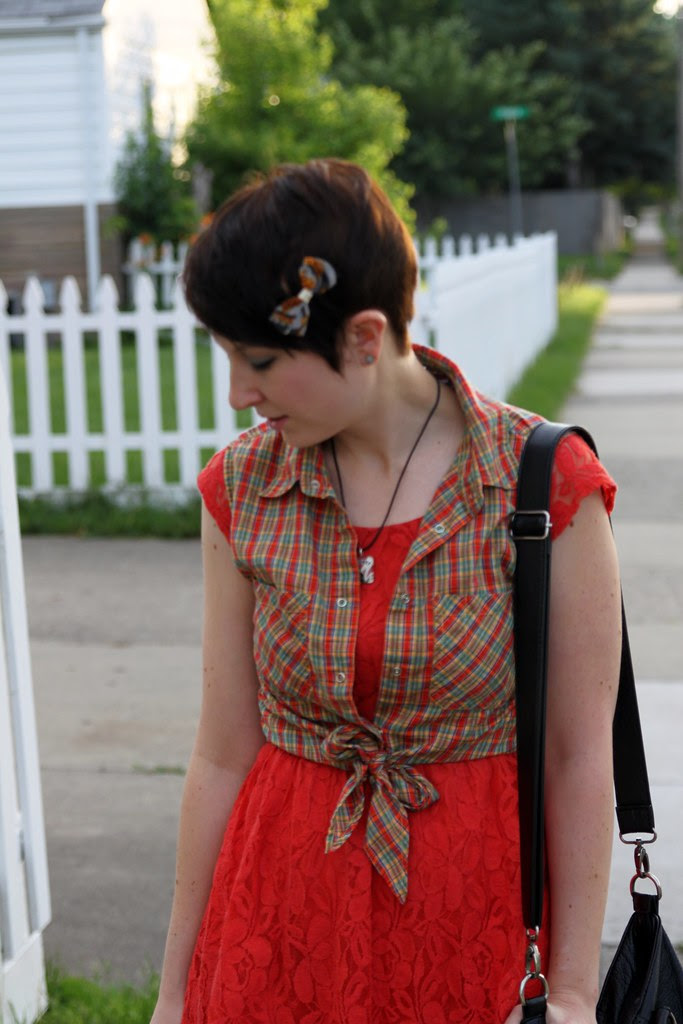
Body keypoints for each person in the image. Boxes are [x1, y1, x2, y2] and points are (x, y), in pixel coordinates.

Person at [150, 158, 621, 1024]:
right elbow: (222, 753)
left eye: (260, 360)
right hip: (277, 927)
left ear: (365, 337)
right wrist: (176, 991)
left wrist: (571, 991)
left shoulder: (540, 486)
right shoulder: (243, 490)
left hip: (471, 931)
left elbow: (578, 757)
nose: (238, 393)